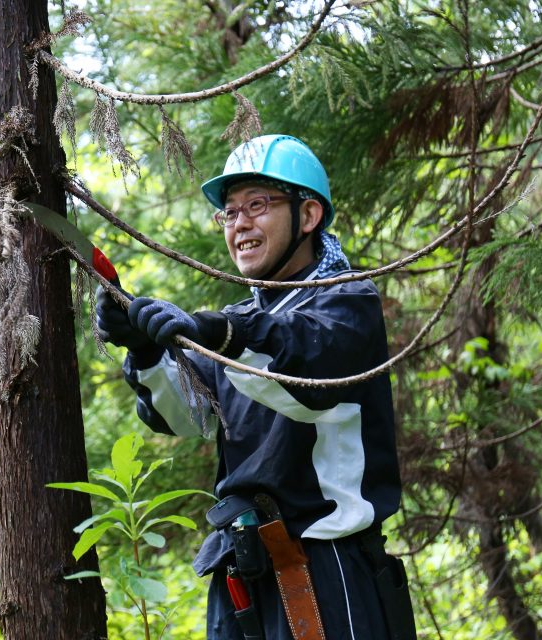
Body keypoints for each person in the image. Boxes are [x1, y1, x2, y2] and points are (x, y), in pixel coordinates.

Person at [95, 135, 416, 640]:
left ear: (308, 217)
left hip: (326, 573)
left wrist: (219, 332)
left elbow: (302, 378)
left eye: (257, 205)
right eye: (229, 212)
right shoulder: (245, 323)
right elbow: (187, 416)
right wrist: (146, 350)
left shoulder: (348, 301)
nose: (239, 222)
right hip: (242, 572)